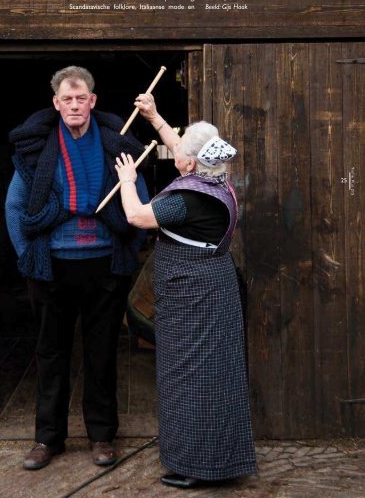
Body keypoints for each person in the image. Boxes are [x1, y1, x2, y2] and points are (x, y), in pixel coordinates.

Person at [5, 66, 149, 471]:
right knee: (51, 354)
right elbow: (15, 207)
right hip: (51, 269)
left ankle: (102, 436)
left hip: (105, 267)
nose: (74, 105)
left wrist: (129, 246)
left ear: (92, 101)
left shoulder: (115, 144)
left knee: (101, 354)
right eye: (66, 99)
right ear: (56, 103)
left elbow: (139, 196)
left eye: (80, 97)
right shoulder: (38, 147)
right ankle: (46, 439)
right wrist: (27, 258)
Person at [115, 93, 257, 489]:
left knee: (192, 376)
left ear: (191, 165)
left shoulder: (186, 199)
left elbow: (136, 216)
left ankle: (198, 467)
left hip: (194, 294)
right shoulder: (216, 177)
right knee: (212, 375)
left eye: (182, 154)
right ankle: (213, 460)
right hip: (211, 287)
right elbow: (184, 149)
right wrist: (155, 117)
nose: (176, 154)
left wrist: (128, 181)